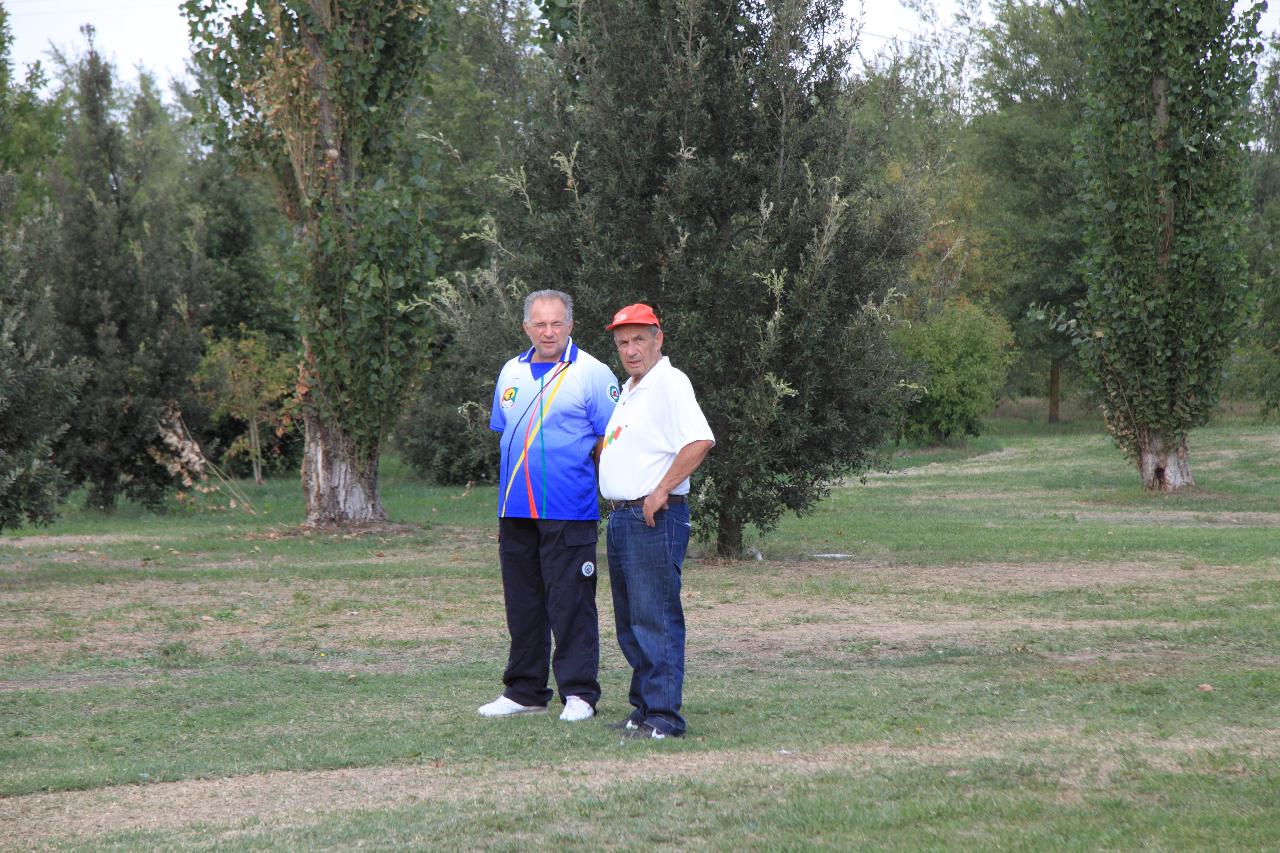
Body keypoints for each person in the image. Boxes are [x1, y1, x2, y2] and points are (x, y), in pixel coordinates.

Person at [478, 290, 621, 722]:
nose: (548, 331)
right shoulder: (510, 371)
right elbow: (503, 430)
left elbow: (610, 438)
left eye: (557, 323)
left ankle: (579, 693)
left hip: (569, 509)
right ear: (526, 327)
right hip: (515, 508)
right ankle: (524, 690)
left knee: (571, 602)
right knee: (523, 602)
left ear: (570, 325)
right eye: (540, 324)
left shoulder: (592, 373)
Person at [598, 303, 715, 739]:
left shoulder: (669, 382)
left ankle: (664, 716)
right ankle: (643, 708)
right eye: (623, 342)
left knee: (655, 617)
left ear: (658, 338)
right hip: (623, 518)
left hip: (653, 518)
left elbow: (700, 440)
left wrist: (662, 488)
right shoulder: (632, 387)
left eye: (639, 340)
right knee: (631, 620)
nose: (631, 350)